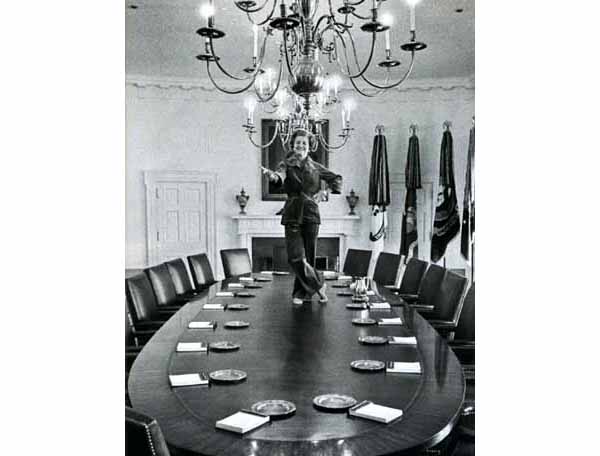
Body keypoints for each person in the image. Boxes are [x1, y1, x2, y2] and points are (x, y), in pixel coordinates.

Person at [262, 129, 343, 305]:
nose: (300, 146)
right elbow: (279, 178)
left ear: (309, 147)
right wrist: (272, 176)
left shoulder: (316, 167)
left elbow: (336, 179)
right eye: (298, 143)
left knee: (310, 256)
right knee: (295, 256)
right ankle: (319, 284)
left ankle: (301, 293)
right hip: (292, 212)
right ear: (293, 145)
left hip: (311, 214)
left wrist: (325, 192)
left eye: (304, 143)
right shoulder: (286, 164)